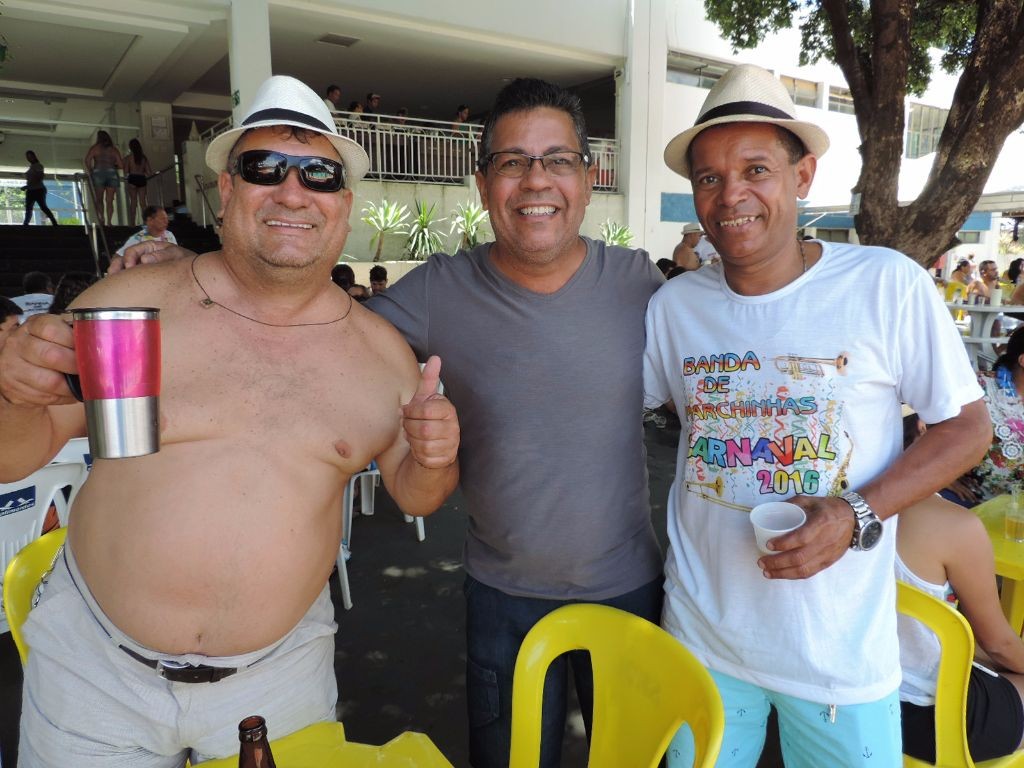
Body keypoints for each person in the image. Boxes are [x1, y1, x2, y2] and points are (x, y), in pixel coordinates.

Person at [111, 76, 665, 768]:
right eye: (512, 161)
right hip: (504, 597)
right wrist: (196, 268)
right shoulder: (439, 288)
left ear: (587, 176)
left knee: (635, 758)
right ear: (481, 182)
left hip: (630, 586)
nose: (535, 180)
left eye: (557, 159)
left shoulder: (641, 285)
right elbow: (311, 320)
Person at [0, 74, 460, 766]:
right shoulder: (133, 305)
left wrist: (433, 457)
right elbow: (15, 456)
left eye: (319, 174)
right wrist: (14, 395)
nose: (292, 191)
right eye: (264, 167)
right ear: (226, 188)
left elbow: (417, 495)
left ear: (344, 204)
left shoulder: (383, 357)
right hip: (94, 670)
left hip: (279, 678)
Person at [646, 63, 990, 767]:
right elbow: (670, 415)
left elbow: (967, 429)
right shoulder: (673, 308)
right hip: (700, 637)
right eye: (709, 177)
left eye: (756, 170)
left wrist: (855, 513)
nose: (731, 195)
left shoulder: (884, 284)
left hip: (838, 655)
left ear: (802, 176)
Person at [897, 417, 1024, 763]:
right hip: (938, 721)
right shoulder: (953, 526)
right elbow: (999, 645)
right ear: (922, 429)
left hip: (852, 706)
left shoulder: (827, 513)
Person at [944, 327, 1024, 507]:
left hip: (1016, 507)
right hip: (971, 498)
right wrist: (939, 477)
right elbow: (922, 422)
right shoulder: (978, 387)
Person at [84, 129, 123, 226]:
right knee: (110, 200)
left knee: (99, 199)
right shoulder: (113, 150)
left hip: (98, 173)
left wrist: (91, 171)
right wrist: (113, 166)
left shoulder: (95, 148)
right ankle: (109, 222)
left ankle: (102, 219)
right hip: (111, 173)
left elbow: (87, 160)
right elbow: (121, 165)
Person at [22, 150, 58, 226]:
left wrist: (28, 186)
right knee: (29, 208)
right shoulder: (32, 167)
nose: (29, 158)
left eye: (30, 156)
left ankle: (54, 222)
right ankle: (25, 224)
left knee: (42, 207)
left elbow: (39, 177)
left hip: (38, 190)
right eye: (27, 157)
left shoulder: (38, 166)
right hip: (31, 190)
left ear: (34, 156)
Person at [124, 138, 154, 225]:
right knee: (143, 202)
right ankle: (145, 222)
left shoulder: (129, 158)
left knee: (133, 202)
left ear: (131, 147)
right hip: (141, 179)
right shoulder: (143, 158)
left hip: (132, 178)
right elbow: (149, 172)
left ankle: (132, 223)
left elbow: (126, 171)